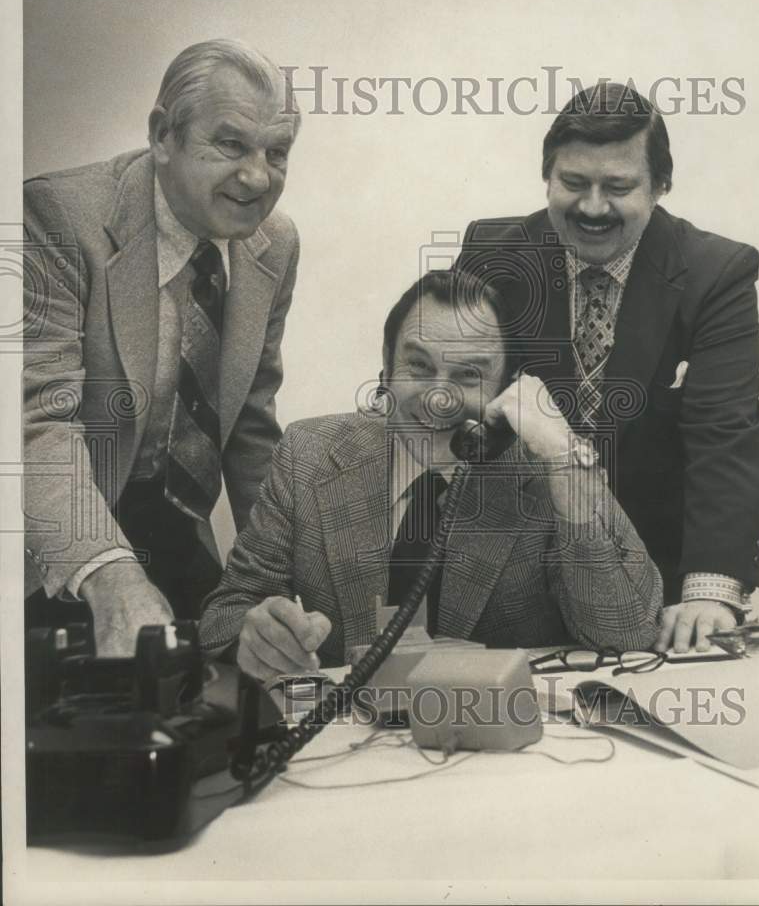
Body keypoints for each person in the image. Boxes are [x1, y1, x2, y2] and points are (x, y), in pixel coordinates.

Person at [199, 270, 662, 682]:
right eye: (418, 366)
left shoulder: (546, 470)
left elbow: (627, 633)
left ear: (507, 387)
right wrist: (255, 634)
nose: (437, 398)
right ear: (386, 364)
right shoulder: (309, 453)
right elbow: (224, 614)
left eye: (467, 375)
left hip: (504, 753)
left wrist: (563, 457)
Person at [456, 82, 759, 652]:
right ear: (546, 176)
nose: (593, 207)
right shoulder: (492, 252)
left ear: (661, 187)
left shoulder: (717, 272)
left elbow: (725, 430)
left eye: (618, 187)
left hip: (654, 594)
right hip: (512, 589)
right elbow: (449, 398)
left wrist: (709, 589)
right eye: (573, 184)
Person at [23, 39, 302, 656]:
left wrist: (286, 581)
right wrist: (109, 573)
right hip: (52, 541)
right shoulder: (54, 216)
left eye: (276, 153)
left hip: (176, 529)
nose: (258, 177)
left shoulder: (274, 244)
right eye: (230, 144)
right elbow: (34, 423)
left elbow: (252, 426)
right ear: (162, 135)